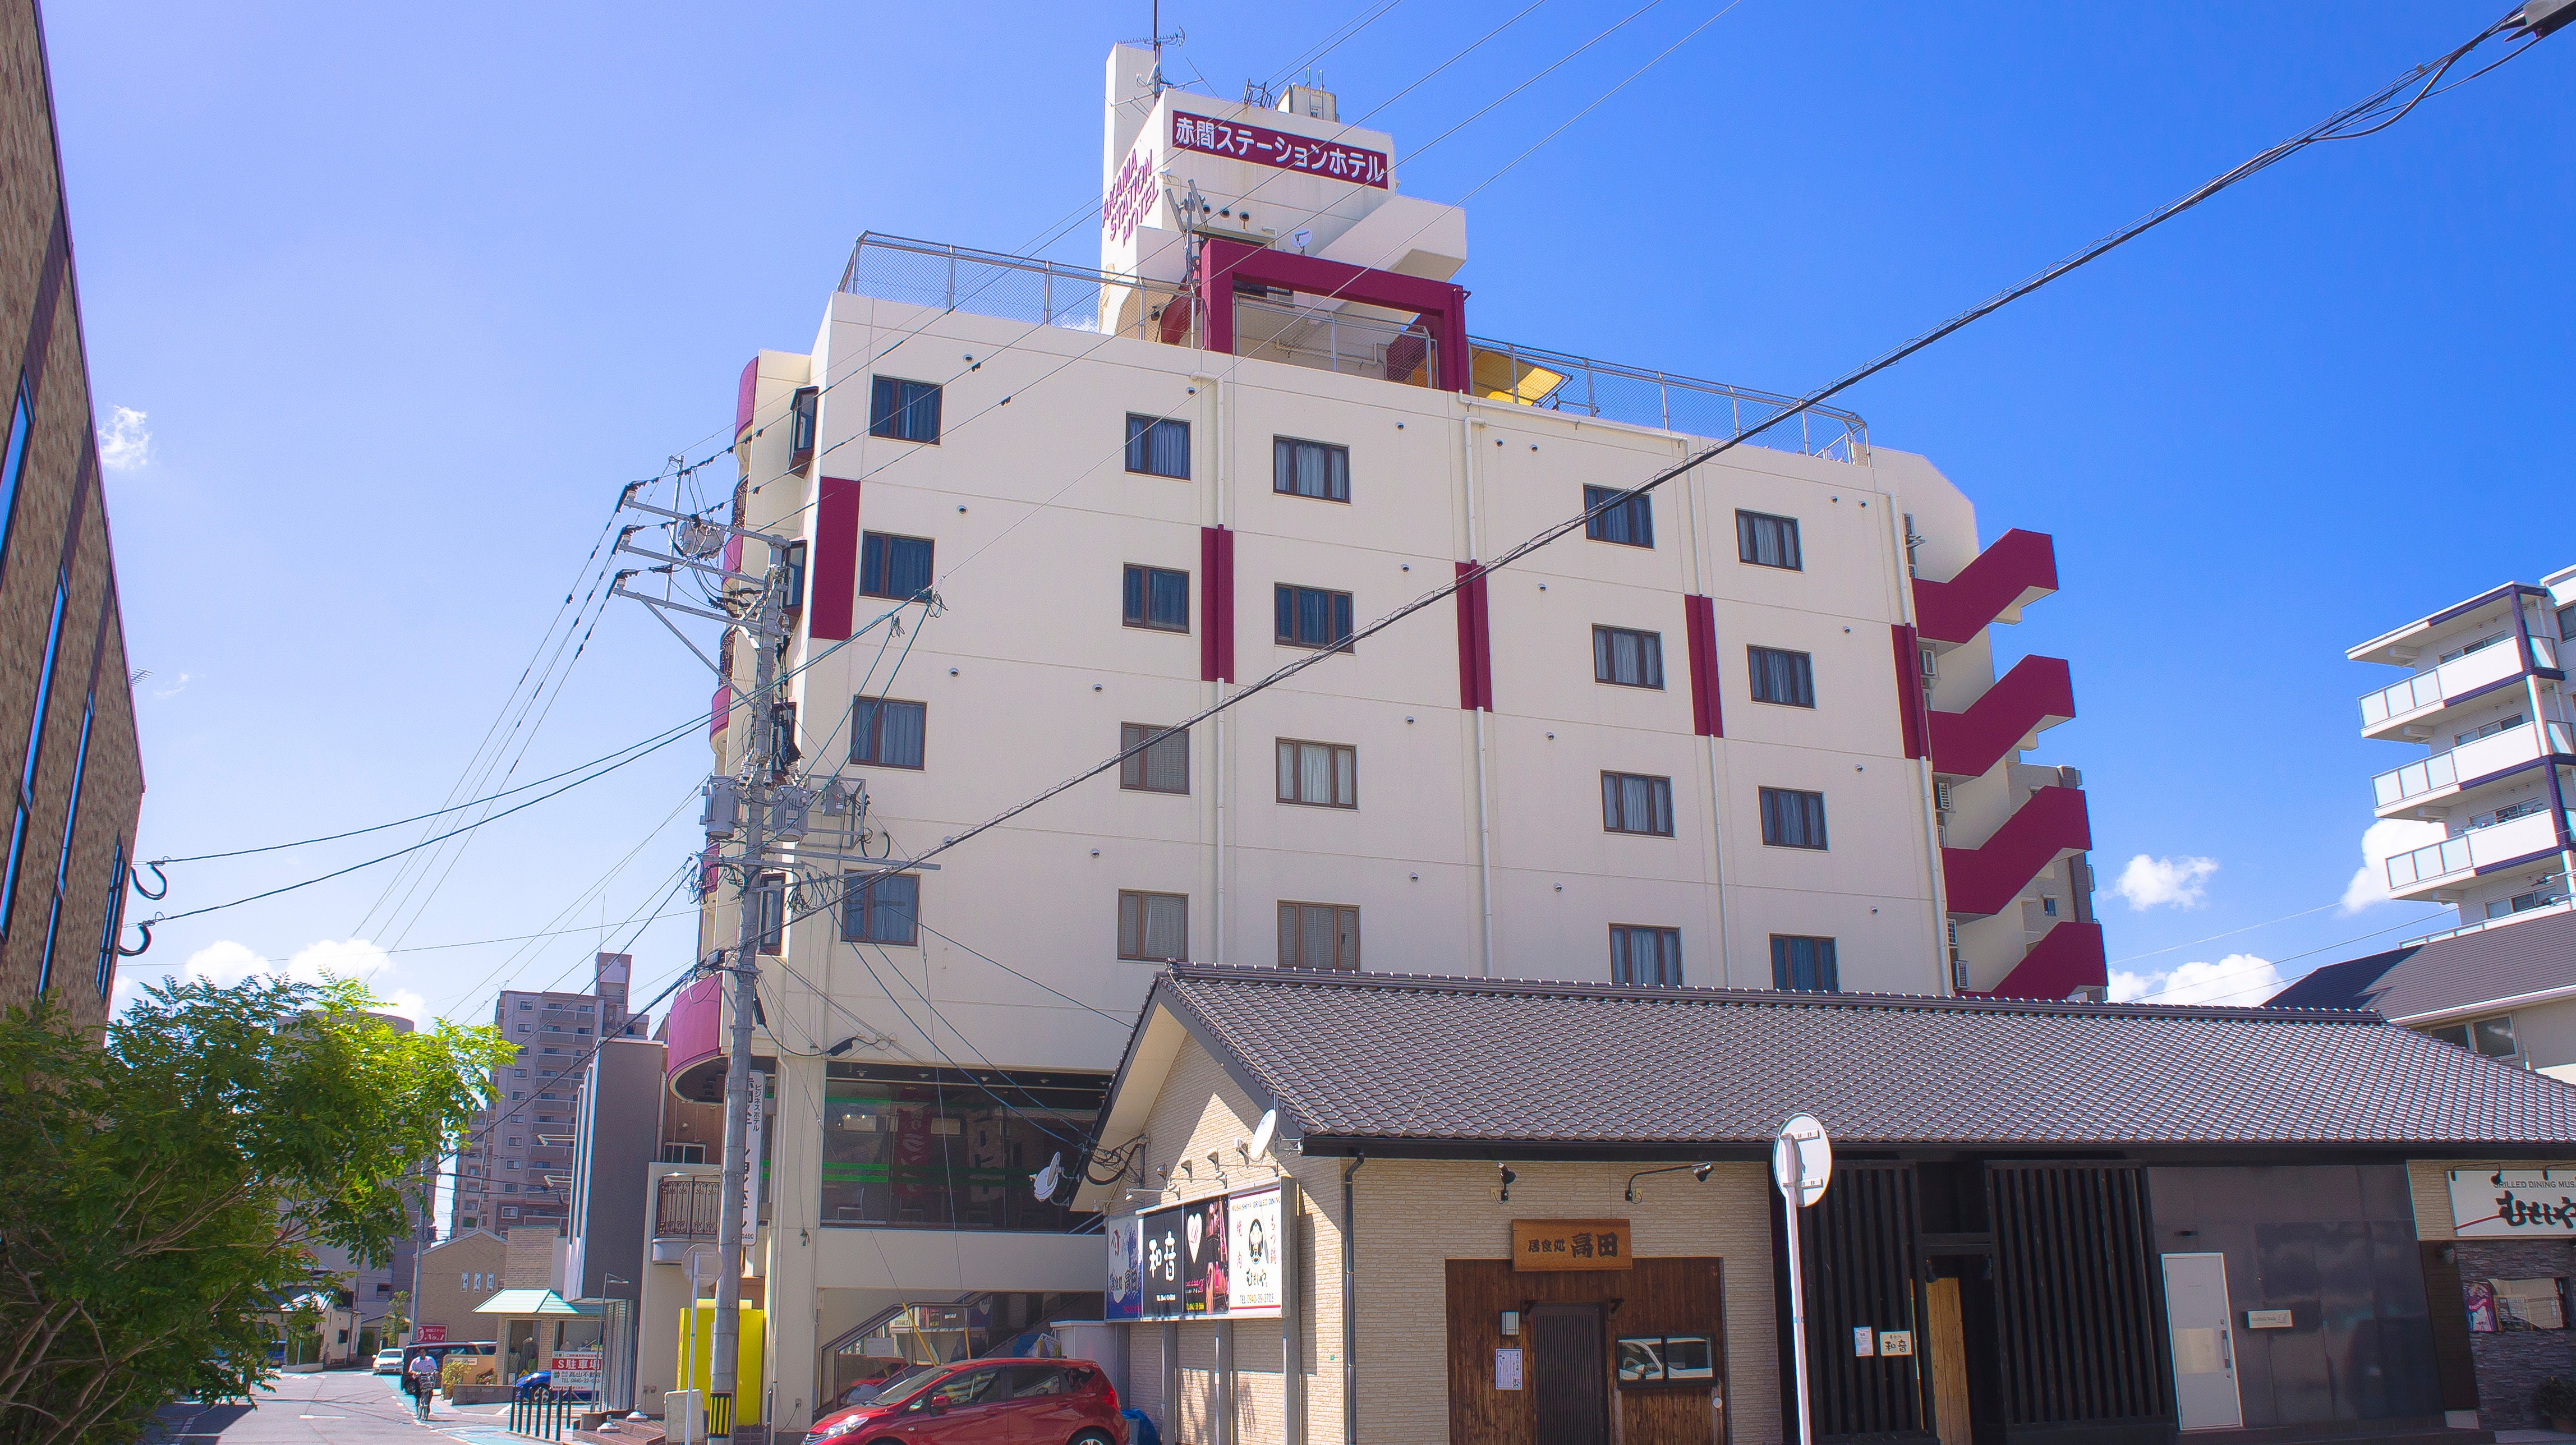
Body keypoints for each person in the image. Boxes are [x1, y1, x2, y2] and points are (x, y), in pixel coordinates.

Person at [404, 1350, 439, 1419]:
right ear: (419, 1354)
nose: (423, 1354)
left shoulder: (430, 1360)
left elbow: (435, 1368)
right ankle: (418, 1404)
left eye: (424, 1352)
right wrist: (416, 1373)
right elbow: (411, 1370)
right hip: (419, 1378)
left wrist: (435, 1372)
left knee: (430, 1391)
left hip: (428, 1378)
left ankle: (428, 1404)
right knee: (418, 1392)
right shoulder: (416, 1361)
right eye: (421, 1353)